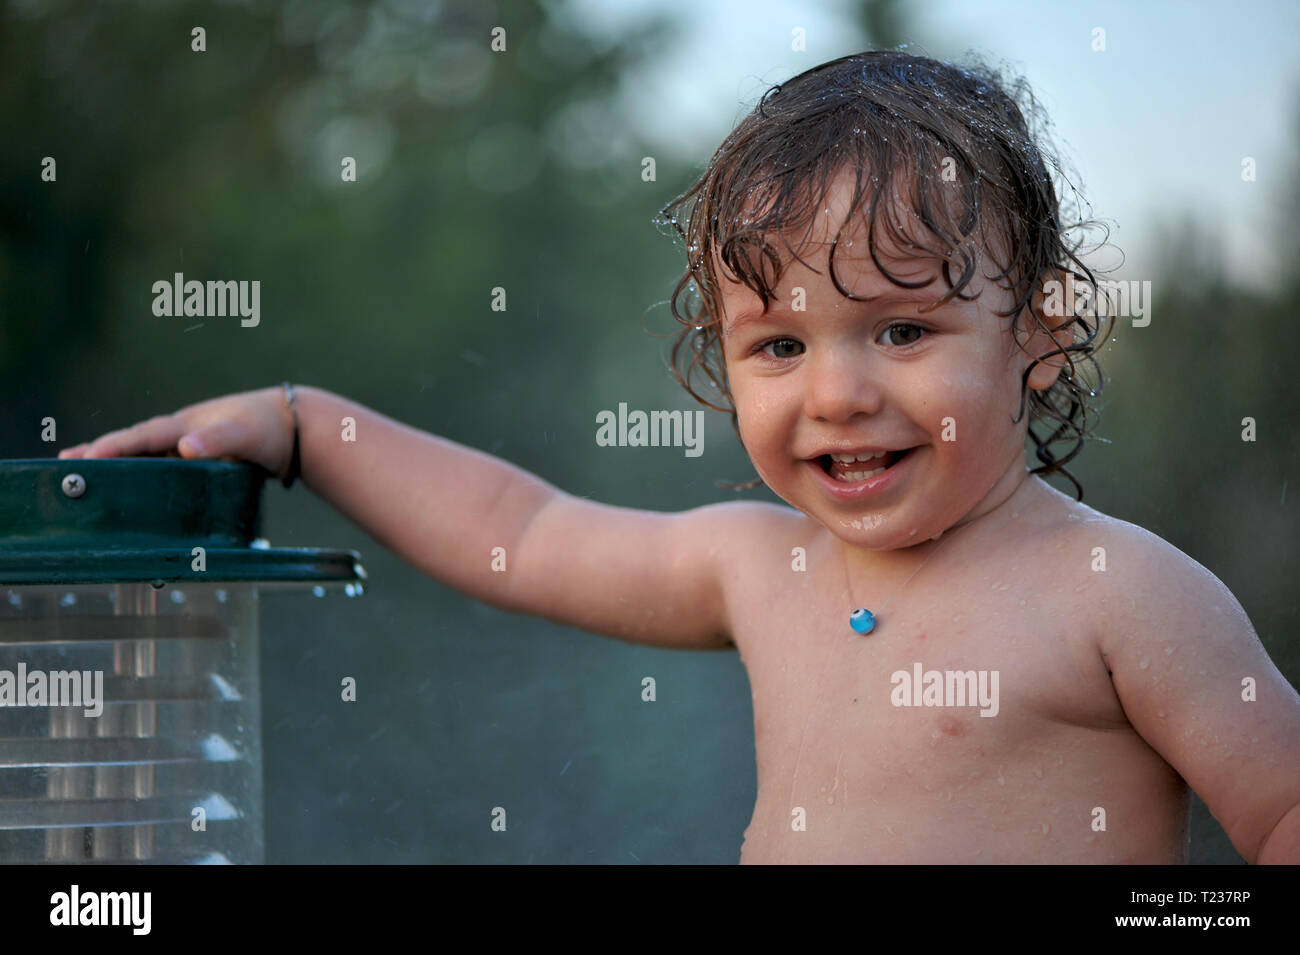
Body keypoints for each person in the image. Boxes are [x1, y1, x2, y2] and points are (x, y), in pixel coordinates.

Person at [58, 51, 1300, 864]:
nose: (838, 393)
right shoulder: (758, 569)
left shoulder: (1121, 595)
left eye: (903, 329)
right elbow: (525, 530)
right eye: (778, 346)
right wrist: (307, 423)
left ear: (1035, 331)